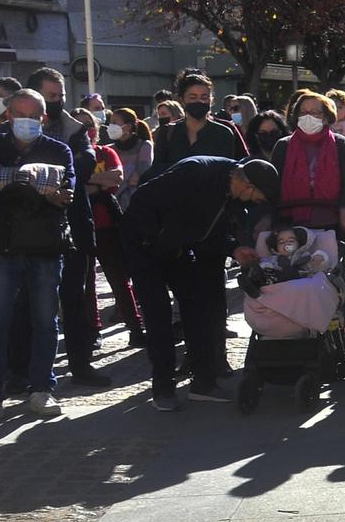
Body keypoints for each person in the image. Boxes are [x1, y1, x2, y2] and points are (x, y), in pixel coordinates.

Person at [118, 156, 277, 409]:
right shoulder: (197, 172)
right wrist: (157, 240)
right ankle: (163, 389)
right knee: (158, 316)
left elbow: (213, 230)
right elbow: (145, 201)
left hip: (178, 249)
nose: (253, 202)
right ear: (245, 183)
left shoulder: (232, 194)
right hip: (144, 248)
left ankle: (203, 383)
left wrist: (234, 248)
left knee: (198, 311)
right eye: (255, 196)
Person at [0, 88, 75, 423]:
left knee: (45, 322)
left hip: (45, 246)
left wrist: (11, 176)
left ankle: (42, 388)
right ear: (7, 116)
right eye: (19, 114)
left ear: (43, 117)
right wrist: (39, 185)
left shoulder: (58, 149)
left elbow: (64, 192)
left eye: (33, 115)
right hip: (2, 245)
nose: (26, 121)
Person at [30, 67, 107, 387]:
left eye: (60, 95)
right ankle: (25, 371)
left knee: (75, 299)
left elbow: (86, 163)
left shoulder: (76, 130)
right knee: (32, 303)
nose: (58, 101)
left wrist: (45, 172)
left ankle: (81, 364)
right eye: (51, 96)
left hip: (73, 225)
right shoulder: (17, 130)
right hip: (31, 230)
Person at [81, 109, 140, 347]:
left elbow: (116, 178)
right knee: (87, 283)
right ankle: (93, 331)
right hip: (81, 226)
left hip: (107, 224)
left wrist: (86, 180)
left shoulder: (106, 152)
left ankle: (135, 327)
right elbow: (73, 186)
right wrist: (97, 182)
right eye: (79, 125)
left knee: (119, 278)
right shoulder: (68, 154)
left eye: (88, 125)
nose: (85, 130)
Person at [269, 91, 345, 238]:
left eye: (315, 113)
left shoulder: (339, 143)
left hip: (332, 219)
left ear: (326, 117)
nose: (308, 116)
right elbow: (274, 186)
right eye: (303, 112)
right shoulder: (283, 145)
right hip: (291, 221)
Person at [152, 70, 247, 173]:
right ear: (182, 100)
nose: (199, 101)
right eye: (193, 97)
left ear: (211, 100)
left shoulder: (224, 133)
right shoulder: (167, 132)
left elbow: (237, 167)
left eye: (204, 97)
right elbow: (156, 170)